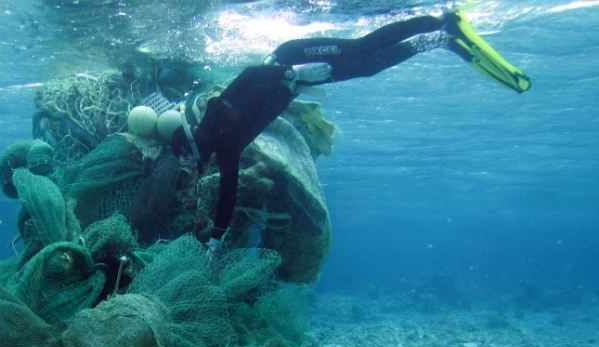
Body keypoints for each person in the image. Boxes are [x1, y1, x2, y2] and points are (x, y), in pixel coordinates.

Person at [170, 10, 531, 261]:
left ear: (189, 143)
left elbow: (250, 74)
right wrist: (216, 241)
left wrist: (292, 70)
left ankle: (439, 21)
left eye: (186, 157)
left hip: (291, 58)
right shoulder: (226, 148)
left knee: (360, 49)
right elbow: (228, 193)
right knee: (367, 68)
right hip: (297, 79)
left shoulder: (216, 116)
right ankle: (439, 39)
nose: (191, 165)